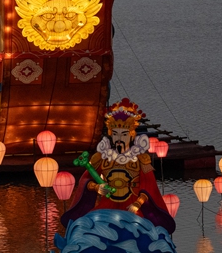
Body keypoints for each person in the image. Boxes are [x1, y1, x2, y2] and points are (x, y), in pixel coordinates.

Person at [59, 99, 175, 234]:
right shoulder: (102, 157)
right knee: (87, 227)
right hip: (106, 205)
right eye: (115, 134)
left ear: (131, 135)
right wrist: (96, 187)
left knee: (139, 232)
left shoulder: (140, 159)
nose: (119, 137)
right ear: (110, 135)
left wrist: (138, 203)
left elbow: (149, 186)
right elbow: (86, 180)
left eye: (123, 134)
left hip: (132, 205)